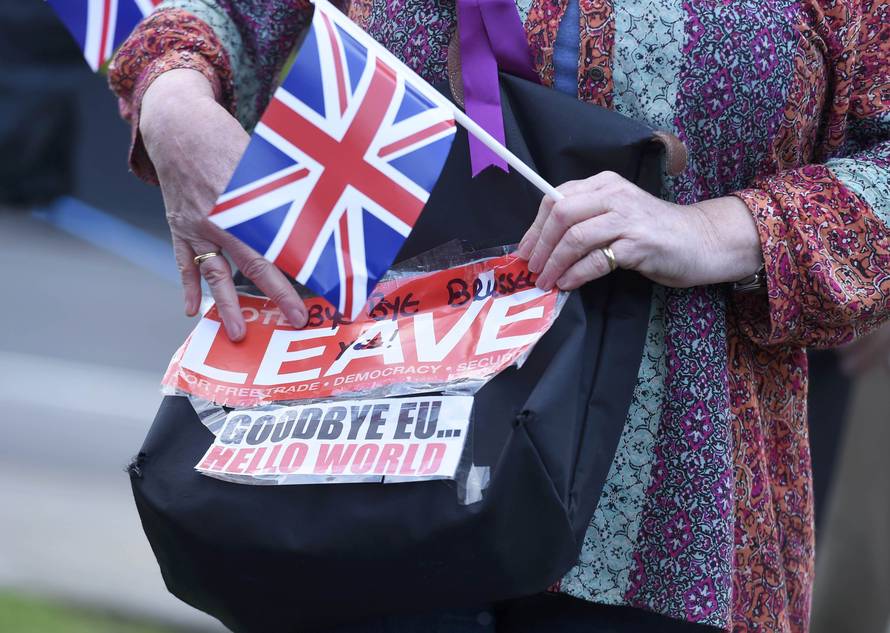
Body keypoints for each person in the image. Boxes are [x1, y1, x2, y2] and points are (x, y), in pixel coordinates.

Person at [107, 1, 889, 632]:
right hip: (365, 466)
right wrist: (174, 106)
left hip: (671, 520)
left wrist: (720, 227)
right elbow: (214, 19)